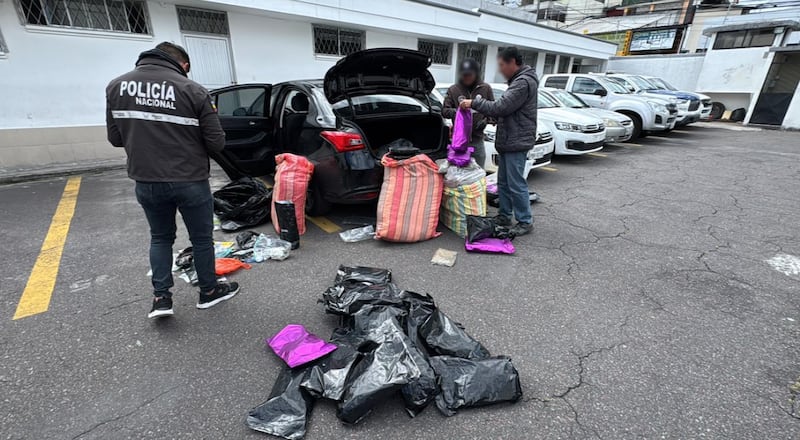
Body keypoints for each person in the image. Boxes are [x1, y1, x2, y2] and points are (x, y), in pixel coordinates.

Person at [106, 42, 240, 319]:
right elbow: (216, 143)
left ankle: (161, 299)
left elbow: (116, 138)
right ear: (185, 65)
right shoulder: (193, 90)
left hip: (146, 180)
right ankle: (208, 292)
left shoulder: (117, 87)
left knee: (160, 238)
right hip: (189, 179)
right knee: (202, 240)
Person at [460, 47, 538, 236]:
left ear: (513, 62)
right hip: (509, 140)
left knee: (516, 183)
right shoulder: (518, 81)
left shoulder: (523, 83)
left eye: (502, 65)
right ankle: (504, 215)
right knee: (503, 183)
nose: (501, 69)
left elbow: (502, 107)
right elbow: (507, 110)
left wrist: (474, 103)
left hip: (516, 141)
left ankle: (525, 221)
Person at [442, 58, 494, 169]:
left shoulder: (485, 88)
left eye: (470, 75)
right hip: (459, 143)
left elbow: (493, 110)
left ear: (476, 74)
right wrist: (459, 113)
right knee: (458, 176)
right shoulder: (453, 89)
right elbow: (444, 111)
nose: (467, 78)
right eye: (464, 75)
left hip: (477, 140)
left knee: (479, 173)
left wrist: (486, 121)